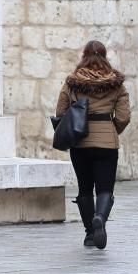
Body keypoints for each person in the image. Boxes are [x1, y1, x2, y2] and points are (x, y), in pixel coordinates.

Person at [54, 40, 130, 250]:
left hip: (80, 143)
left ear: (84, 56)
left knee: (85, 189)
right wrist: (111, 129)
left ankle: (89, 233)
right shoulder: (117, 84)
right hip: (107, 143)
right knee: (105, 188)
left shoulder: (72, 82)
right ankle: (100, 219)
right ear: (105, 56)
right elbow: (123, 117)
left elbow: (60, 112)